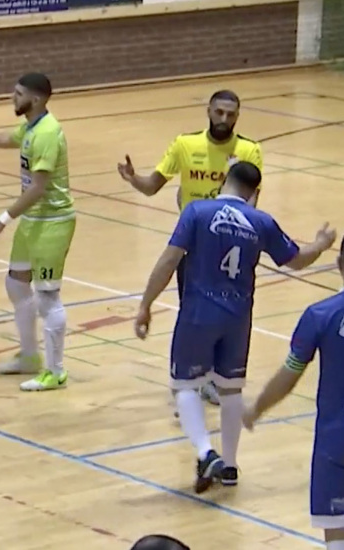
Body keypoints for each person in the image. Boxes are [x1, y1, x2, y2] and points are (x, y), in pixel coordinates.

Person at [134, 161, 335, 493]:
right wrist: (322, 244)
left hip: (199, 311)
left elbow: (169, 260)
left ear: (224, 181)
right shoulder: (261, 222)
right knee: (231, 389)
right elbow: (298, 259)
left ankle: (205, 451)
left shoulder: (197, 211)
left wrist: (145, 305)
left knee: (184, 386)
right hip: (238, 317)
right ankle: (230, 465)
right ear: (255, 193)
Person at [119, 90, 262, 409]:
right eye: (219, 112)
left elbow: (252, 202)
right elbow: (153, 186)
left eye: (231, 114)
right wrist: (133, 179)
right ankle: (197, 378)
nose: (224, 119)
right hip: (194, 245)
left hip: (230, 247)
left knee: (228, 314)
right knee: (195, 312)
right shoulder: (186, 145)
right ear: (209, 111)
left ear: (238, 116)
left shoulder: (249, 150)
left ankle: (215, 377)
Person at [243, 227, 344, 550]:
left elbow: (291, 373)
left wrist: (257, 408)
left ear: (338, 263)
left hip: (339, 435)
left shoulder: (320, 315)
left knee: (338, 529)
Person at [0, 73, 74, 392]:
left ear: (34, 100)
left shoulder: (47, 133)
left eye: (18, 93)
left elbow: (38, 188)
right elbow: (11, 138)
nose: (12, 97)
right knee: (16, 284)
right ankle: (29, 356)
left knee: (48, 296)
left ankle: (55, 371)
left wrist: (2, 219)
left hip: (52, 221)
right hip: (33, 221)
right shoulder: (33, 126)